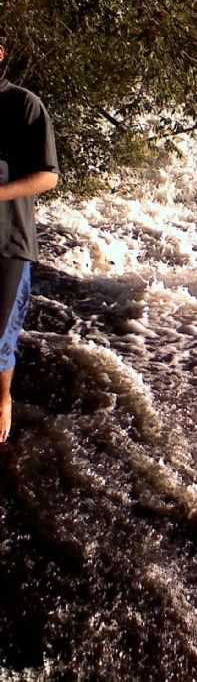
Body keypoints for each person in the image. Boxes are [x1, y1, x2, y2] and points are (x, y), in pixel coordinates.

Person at [0, 40, 59, 442]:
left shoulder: (24, 105)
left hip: (9, 241)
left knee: (1, 335)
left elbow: (48, 176)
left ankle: (2, 399)